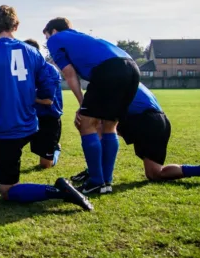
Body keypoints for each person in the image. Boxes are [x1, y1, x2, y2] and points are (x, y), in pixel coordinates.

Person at [0, 5, 92, 211]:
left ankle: (58, 191)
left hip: (5, 128)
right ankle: (1, 176)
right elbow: (48, 88)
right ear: (16, 25)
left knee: (8, 191)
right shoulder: (33, 53)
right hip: (30, 123)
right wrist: (28, 94)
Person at [44, 18, 140, 194]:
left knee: (85, 123)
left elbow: (70, 74)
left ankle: (96, 180)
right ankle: (106, 182)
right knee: (109, 125)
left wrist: (82, 104)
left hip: (109, 69)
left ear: (54, 31)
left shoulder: (55, 39)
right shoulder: (81, 38)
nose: (47, 41)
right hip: (132, 67)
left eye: (47, 36)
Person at [72, 83, 200, 183]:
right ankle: (197, 170)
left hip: (146, 120)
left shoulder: (111, 78)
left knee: (91, 123)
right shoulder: (126, 74)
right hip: (160, 121)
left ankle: (95, 172)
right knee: (155, 174)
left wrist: (82, 112)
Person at [24, 39, 63, 169]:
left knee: (45, 165)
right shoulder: (24, 70)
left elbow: (48, 101)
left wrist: (27, 97)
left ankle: (56, 150)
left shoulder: (48, 71)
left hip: (49, 118)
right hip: (31, 116)